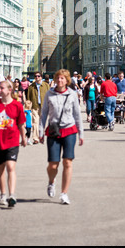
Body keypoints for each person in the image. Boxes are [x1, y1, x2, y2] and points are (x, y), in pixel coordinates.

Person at [39, 69, 84, 205]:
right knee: (53, 165)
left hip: (69, 130)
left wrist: (81, 133)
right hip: (53, 131)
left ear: (67, 80)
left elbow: (77, 114)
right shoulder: (49, 94)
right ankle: (51, 182)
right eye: (58, 78)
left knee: (67, 162)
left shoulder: (72, 95)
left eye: (63, 78)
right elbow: (44, 114)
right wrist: (40, 131)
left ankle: (64, 193)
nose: (60, 80)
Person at [0, 80, 27, 207]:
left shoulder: (17, 106)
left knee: (10, 167)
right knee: (0, 170)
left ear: (9, 90)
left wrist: (23, 138)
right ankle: (3, 194)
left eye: (2, 88)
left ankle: (12, 195)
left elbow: (20, 124)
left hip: (12, 141)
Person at [27, 72, 50, 144]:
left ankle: (41, 135)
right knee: (35, 122)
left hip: (44, 106)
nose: (37, 77)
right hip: (35, 106)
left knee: (42, 122)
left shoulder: (46, 85)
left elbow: (49, 95)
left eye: (38, 76)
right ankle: (35, 138)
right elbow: (28, 98)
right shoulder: (31, 87)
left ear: (41, 77)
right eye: (35, 76)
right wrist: (28, 107)